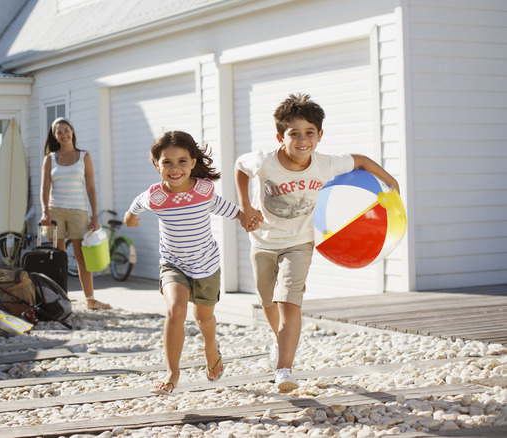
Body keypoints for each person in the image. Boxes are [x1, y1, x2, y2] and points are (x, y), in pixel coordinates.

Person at [235, 93, 400, 392]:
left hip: (299, 242)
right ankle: (279, 340)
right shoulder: (264, 161)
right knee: (267, 301)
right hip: (263, 241)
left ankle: (284, 369)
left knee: (289, 301)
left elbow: (361, 161)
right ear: (280, 136)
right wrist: (245, 207)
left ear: (320, 135)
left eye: (310, 133)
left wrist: (392, 183)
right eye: (294, 133)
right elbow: (239, 167)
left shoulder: (326, 164)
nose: (302, 140)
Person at [124, 130, 250, 395]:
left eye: (182, 161)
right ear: (156, 163)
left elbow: (222, 206)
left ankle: (210, 348)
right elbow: (137, 204)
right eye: (166, 162)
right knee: (175, 310)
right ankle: (172, 373)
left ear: (193, 162)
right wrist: (130, 217)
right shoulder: (156, 196)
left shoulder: (203, 190)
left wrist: (244, 217)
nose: (174, 168)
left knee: (204, 319)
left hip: (206, 265)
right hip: (174, 264)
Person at [40, 117, 111, 310]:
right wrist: (45, 212)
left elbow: (91, 188)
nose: (63, 134)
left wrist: (95, 216)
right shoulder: (50, 158)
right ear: (54, 136)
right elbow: (45, 188)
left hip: (79, 211)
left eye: (66, 130)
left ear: (72, 131)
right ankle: (61, 298)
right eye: (59, 132)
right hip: (55, 212)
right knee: (58, 258)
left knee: (82, 258)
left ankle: (90, 300)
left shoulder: (84, 156)